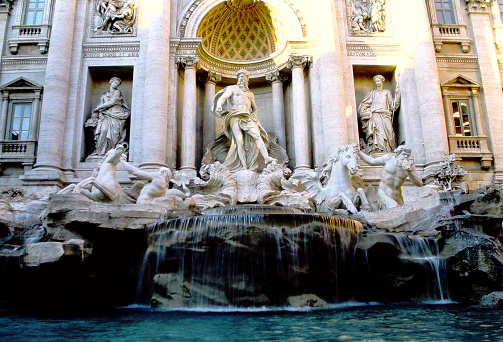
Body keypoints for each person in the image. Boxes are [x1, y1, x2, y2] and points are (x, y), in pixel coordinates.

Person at [213, 69, 275, 172]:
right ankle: (244, 166)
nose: (242, 79)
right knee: (239, 140)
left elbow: (255, 108)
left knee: (257, 135)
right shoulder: (232, 88)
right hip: (235, 115)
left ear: (247, 80)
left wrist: (254, 115)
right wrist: (219, 105)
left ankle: (266, 158)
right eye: (240, 77)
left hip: (247, 116)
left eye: (244, 77)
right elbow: (223, 97)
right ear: (238, 79)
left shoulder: (250, 94)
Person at [358, 145, 423, 209]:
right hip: (383, 192)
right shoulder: (388, 159)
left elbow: (419, 183)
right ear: (398, 154)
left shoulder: (410, 167)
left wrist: (409, 171)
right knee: (395, 208)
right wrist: (358, 152)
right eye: (404, 154)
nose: (405, 157)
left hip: (397, 196)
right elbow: (371, 161)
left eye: (408, 155)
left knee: (404, 213)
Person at [86, 77, 130, 156]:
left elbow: (112, 102)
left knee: (114, 134)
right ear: (111, 82)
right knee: (103, 130)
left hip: (116, 114)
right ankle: (100, 151)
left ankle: (111, 152)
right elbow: (102, 103)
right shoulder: (105, 94)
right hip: (105, 114)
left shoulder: (117, 92)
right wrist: (97, 111)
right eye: (114, 82)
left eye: (117, 84)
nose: (115, 84)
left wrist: (99, 108)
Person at [358, 74, 400, 153]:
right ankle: (379, 150)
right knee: (379, 131)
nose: (377, 83)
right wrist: (366, 111)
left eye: (378, 81)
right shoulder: (372, 92)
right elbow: (365, 104)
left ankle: (388, 150)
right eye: (376, 81)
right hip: (375, 114)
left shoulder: (387, 92)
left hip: (385, 115)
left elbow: (392, 105)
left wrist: (397, 95)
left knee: (389, 131)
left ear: (382, 81)